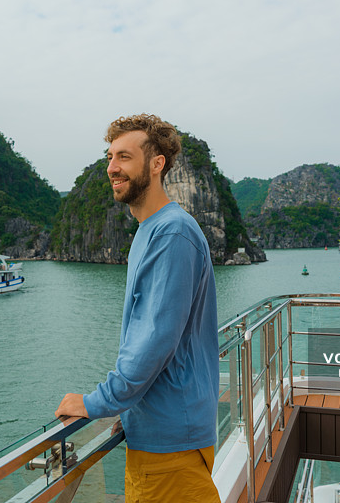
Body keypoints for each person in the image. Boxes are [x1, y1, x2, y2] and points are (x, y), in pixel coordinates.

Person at [55, 114, 220, 502]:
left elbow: (154, 339)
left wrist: (97, 402)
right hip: (159, 437)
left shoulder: (172, 233)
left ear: (157, 163)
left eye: (125, 157)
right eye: (111, 156)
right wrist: (128, 412)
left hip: (171, 446)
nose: (112, 167)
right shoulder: (150, 230)